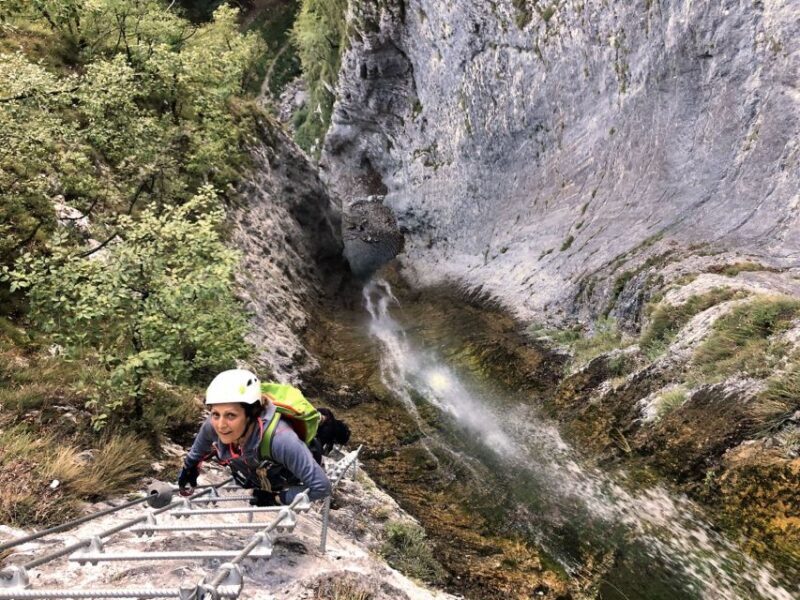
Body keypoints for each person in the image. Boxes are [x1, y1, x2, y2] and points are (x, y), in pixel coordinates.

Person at [177, 369, 331, 506]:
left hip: (289, 475)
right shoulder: (213, 425)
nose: (221, 425)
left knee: (329, 429)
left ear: (252, 413)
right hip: (254, 471)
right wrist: (188, 470)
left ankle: (324, 420)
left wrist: (279, 498)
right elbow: (196, 453)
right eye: (216, 414)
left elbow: (321, 487)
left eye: (231, 415)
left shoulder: (282, 439)